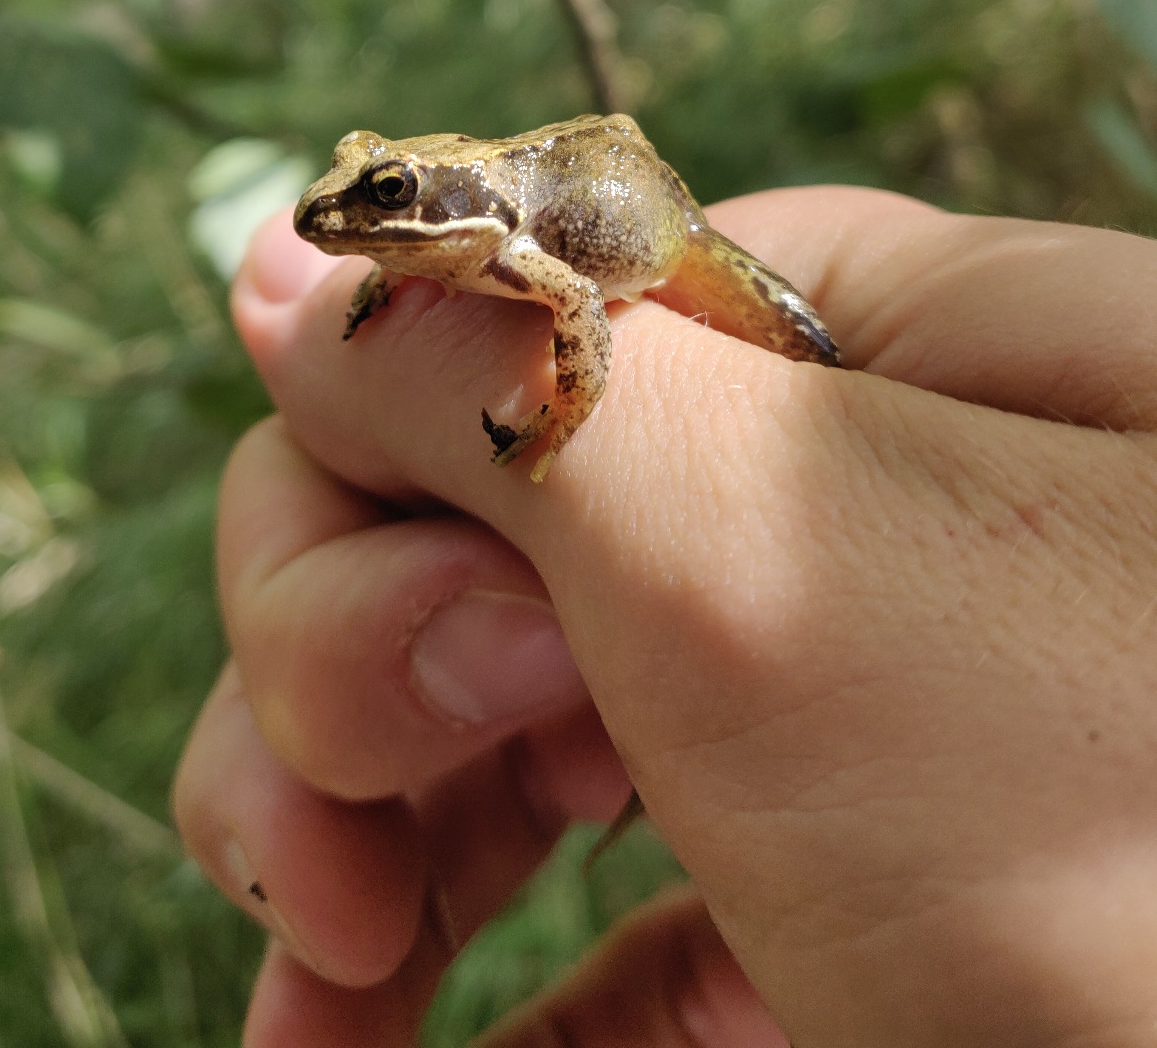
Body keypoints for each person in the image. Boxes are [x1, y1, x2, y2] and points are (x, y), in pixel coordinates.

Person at [173, 184, 1157, 1047]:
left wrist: (563, 414)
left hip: (667, 232)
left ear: (444, 198)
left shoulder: (508, 245)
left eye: (389, 193)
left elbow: (575, 306)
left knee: (808, 349)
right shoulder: (446, 249)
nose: (344, 209)